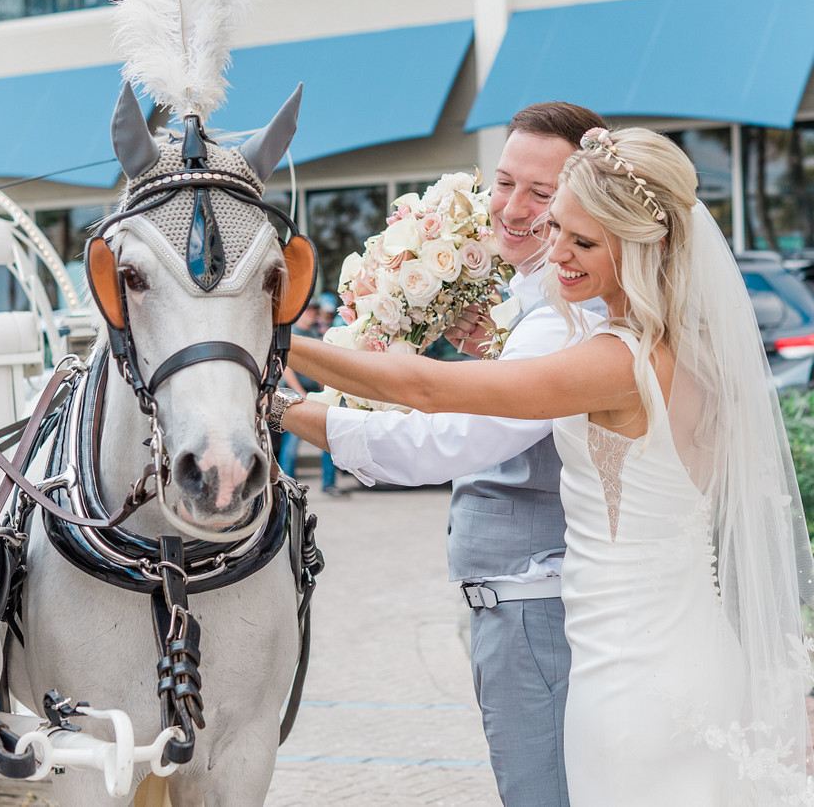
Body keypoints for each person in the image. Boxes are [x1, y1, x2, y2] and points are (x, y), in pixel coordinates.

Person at [281, 127, 814, 804]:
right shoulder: (697, 353)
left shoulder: (616, 362)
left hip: (631, 681)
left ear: (644, 244)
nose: (555, 252)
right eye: (557, 226)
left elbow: (423, 390)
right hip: (696, 654)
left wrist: (275, 336)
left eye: (582, 242)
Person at [268, 102, 605, 807]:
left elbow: (443, 437)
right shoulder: (531, 307)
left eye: (541, 195)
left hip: (537, 613)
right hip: (521, 612)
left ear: (584, 203)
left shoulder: (569, 321)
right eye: (503, 182)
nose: (511, 208)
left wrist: (276, 394)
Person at [278, 299, 347, 496]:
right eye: (309, 310)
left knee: (328, 438)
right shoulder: (292, 334)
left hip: (312, 393)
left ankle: (329, 483)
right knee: (291, 443)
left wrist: (326, 391)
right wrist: (300, 393)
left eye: (314, 310)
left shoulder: (315, 334)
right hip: (295, 395)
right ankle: (286, 485)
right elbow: (286, 367)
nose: (312, 314)